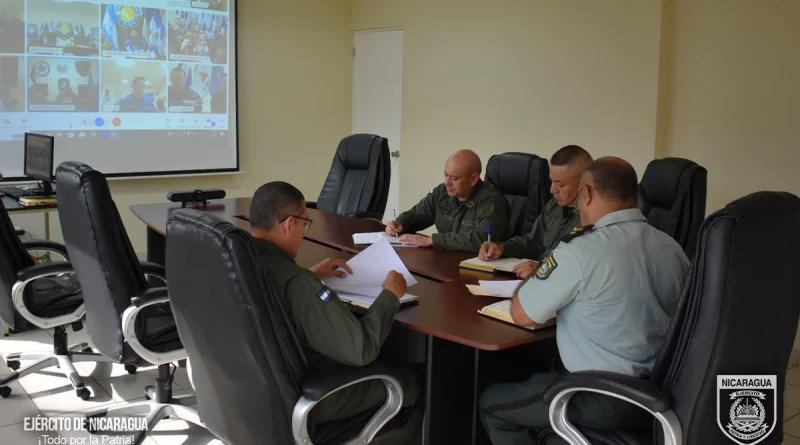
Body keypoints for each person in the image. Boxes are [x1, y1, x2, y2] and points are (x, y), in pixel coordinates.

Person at [479, 157, 691, 445]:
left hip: (600, 397)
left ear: (587, 193)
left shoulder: (580, 250)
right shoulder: (672, 249)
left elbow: (522, 314)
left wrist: (534, 275)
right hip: (663, 396)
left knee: (493, 404)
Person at [249, 181, 422, 444]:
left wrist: (309, 274)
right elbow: (361, 349)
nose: (304, 233)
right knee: (414, 380)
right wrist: (390, 294)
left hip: (261, 391)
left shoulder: (243, 261)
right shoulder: (298, 285)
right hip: (314, 393)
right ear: (288, 225)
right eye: (305, 224)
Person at [479, 145, 593, 278]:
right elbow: (534, 243)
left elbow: (581, 267)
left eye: (560, 184)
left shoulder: (594, 218)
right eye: (551, 182)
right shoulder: (554, 206)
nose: (552, 190)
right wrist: (501, 248)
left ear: (583, 183)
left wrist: (542, 268)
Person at [385, 149, 510, 251]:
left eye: (454, 178)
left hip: (476, 265)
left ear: (473, 179)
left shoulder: (491, 200)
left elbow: (482, 240)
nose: (447, 182)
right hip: (445, 260)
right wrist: (400, 223)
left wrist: (432, 240)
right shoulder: (442, 192)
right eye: (446, 175)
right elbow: (417, 214)